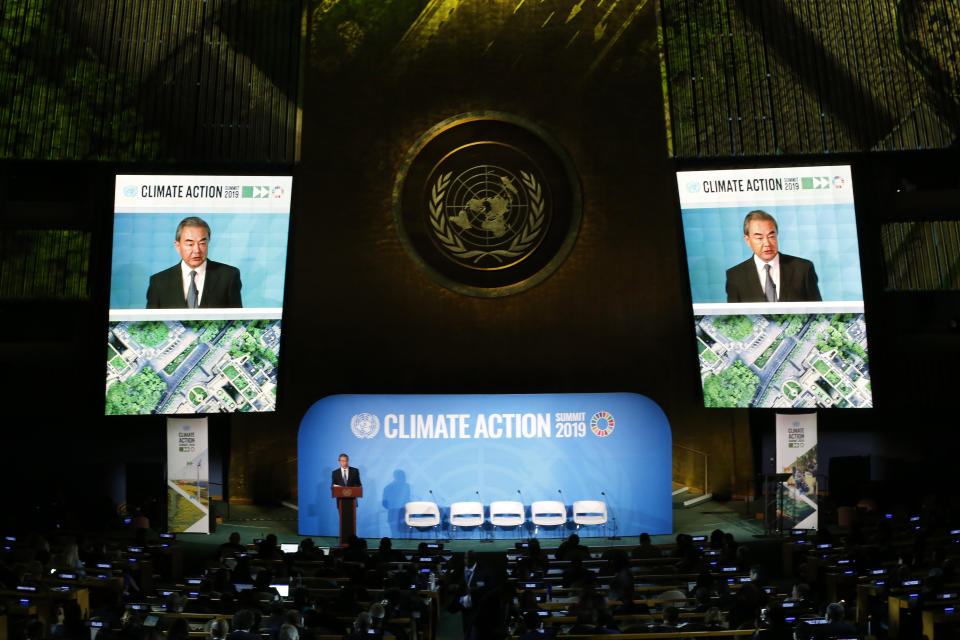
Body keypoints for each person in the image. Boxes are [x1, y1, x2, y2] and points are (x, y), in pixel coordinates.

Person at [725, 210, 821, 303]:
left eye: (771, 236)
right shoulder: (736, 276)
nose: (767, 243)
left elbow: (819, 313)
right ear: (747, 240)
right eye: (759, 238)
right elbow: (734, 317)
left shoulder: (803, 269)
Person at [146, 216, 242, 308]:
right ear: (178, 246)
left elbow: (238, 321)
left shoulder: (229, 276)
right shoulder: (159, 282)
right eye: (190, 244)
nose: (197, 250)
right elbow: (150, 323)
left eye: (202, 243)